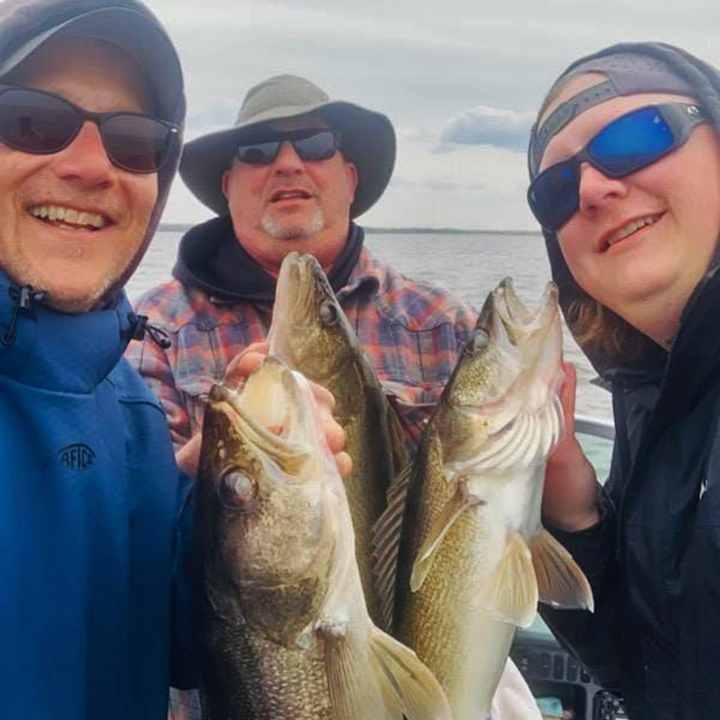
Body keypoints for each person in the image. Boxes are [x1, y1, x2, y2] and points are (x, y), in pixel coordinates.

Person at [129, 74, 542, 720]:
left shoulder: (439, 322)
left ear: (350, 176)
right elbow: (138, 548)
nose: (287, 162)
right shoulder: (153, 330)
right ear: (227, 187)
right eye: (259, 151)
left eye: (314, 143)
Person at [0, 1, 194, 717]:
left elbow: (177, 644)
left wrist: (238, 499)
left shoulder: (132, 414)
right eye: (29, 120)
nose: (88, 167)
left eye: (135, 140)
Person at [527, 42, 720, 720]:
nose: (591, 188)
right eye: (555, 190)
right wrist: (575, 510)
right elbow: (654, 675)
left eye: (634, 137)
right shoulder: (659, 406)